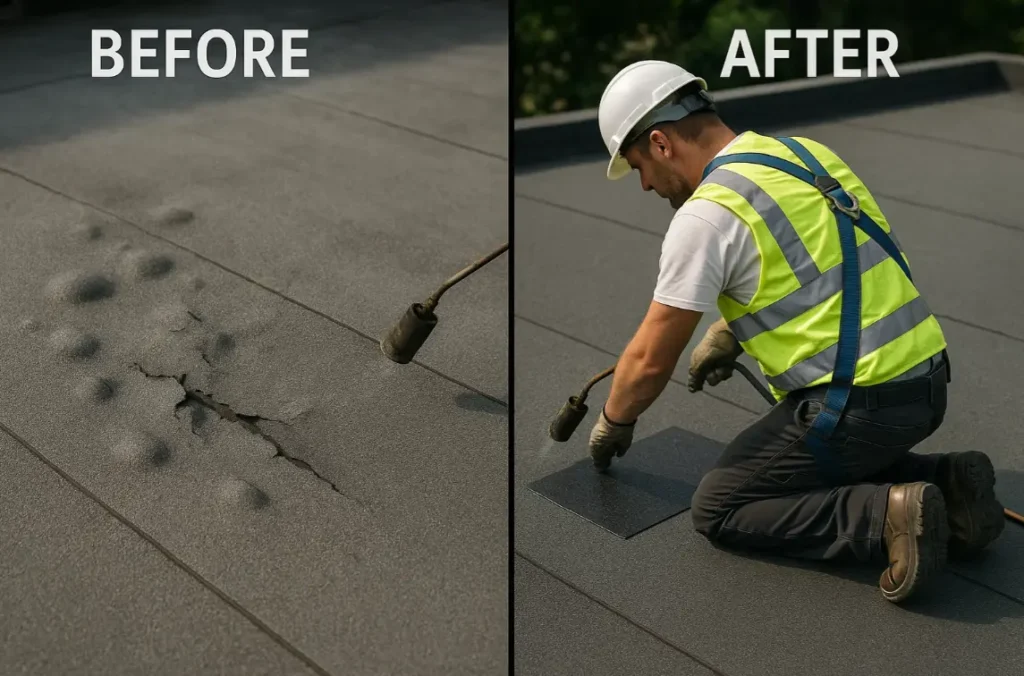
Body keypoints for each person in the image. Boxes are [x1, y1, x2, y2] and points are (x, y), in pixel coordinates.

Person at [587, 60, 1005, 603]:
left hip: (857, 408)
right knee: (818, 458)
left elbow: (648, 361)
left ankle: (886, 516)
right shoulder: (804, 155)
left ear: (662, 143)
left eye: (639, 164)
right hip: (927, 388)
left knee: (721, 504)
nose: (644, 184)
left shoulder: (706, 216)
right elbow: (832, 265)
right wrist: (732, 331)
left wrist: (614, 420)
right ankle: (950, 483)